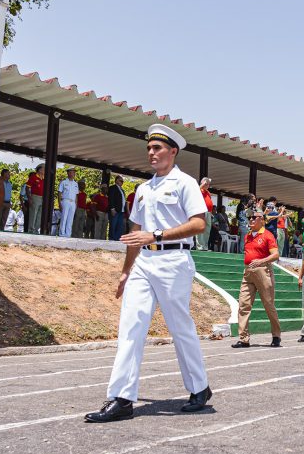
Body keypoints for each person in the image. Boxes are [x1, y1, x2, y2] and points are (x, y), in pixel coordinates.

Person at [85, 124, 212, 423]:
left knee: (180, 327)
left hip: (173, 261)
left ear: (173, 151)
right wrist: (125, 271)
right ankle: (122, 398)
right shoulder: (143, 189)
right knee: (131, 327)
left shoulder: (185, 183)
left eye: (157, 148)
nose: (151, 153)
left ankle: (199, 388)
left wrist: (155, 235)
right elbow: (135, 233)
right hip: (144, 262)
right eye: (149, 149)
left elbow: (199, 224)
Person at [233, 207, 282, 348]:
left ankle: (276, 335)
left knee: (268, 304)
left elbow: (276, 255)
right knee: (243, 305)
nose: (251, 219)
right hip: (248, 271)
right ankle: (243, 339)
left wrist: (261, 261)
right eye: (250, 217)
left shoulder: (267, 235)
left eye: (254, 217)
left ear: (262, 220)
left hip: (263, 271)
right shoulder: (247, 236)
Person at [57, 167, 78, 238]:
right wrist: (59, 203)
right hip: (65, 200)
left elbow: (76, 195)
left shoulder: (75, 184)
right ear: (68, 173)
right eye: (71, 172)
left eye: (74, 172)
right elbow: (59, 193)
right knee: (64, 217)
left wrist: (76, 204)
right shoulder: (63, 182)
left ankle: (68, 234)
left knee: (70, 219)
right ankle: (62, 233)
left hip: (73, 202)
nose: (73, 174)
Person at [26, 165, 45, 234]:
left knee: (39, 215)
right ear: (39, 170)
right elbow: (27, 188)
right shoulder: (33, 177)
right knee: (33, 214)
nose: (45, 170)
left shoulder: (44, 178)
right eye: (43, 169)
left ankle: (36, 230)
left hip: (42, 198)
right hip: (35, 197)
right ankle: (31, 230)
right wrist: (29, 198)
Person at [108, 175, 126, 241]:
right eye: (121, 181)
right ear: (116, 180)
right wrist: (112, 209)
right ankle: (111, 239)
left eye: (123, 181)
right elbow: (111, 198)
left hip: (121, 211)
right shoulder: (112, 188)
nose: (122, 182)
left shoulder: (122, 190)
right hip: (115, 210)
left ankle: (117, 239)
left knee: (119, 226)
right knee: (113, 225)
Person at [199, 177, 214, 250]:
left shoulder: (207, 192)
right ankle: (200, 247)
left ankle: (205, 246)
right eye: (206, 183)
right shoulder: (199, 190)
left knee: (207, 230)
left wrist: (210, 212)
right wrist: (202, 184)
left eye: (208, 184)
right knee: (200, 229)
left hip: (208, 212)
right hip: (201, 211)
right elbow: (196, 192)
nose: (208, 185)